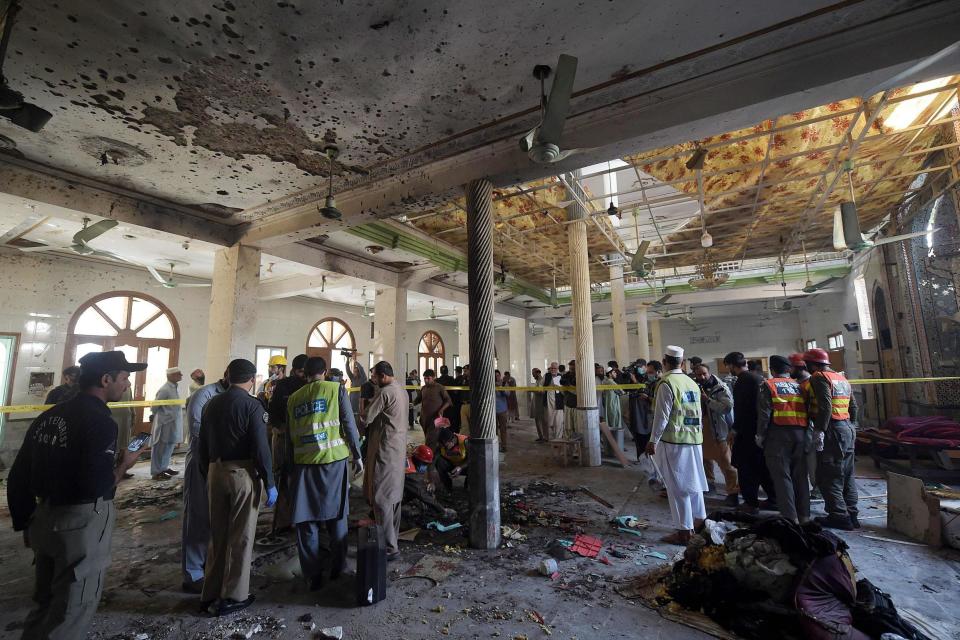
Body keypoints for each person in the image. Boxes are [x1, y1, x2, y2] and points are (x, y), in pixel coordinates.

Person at [7, 351, 145, 639]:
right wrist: (124, 464)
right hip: (79, 525)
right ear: (106, 379)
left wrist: (25, 522)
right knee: (71, 609)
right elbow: (96, 487)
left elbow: (18, 474)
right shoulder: (99, 421)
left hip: (43, 518)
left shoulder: (51, 416)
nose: (126, 384)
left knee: (44, 604)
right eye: (124, 378)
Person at [198, 358, 277, 616]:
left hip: (214, 471)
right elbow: (261, 447)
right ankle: (233, 595)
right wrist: (270, 482)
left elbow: (201, 443)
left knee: (218, 535)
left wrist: (205, 473)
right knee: (241, 535)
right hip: (241, 473)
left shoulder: (211, 403)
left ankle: (209, 592)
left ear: (227, 376)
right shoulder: (252, 406)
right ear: (252, 379)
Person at [286, 356, 363, 590]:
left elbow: (290, 437)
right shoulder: (335, 390)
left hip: (303, 464)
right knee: (337, 514)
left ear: (304, 374)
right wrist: (357, 454)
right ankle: (338, 567)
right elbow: (349, 423)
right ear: (325, 371)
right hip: (333, 461)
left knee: (306, 518)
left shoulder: (293, 399)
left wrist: (288, 467)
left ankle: (312, 574)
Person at [645, 346, 707, 545]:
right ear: (682, 361)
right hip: (694, 440)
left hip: (675, 443)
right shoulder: (691, 382)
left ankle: (684, 532)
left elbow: (661, 416)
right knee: (693, 484)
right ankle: (699, 522)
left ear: (664, 361)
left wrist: (652, 440)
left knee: (677, 487)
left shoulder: (667, 383)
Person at [181, 370, 229, 594]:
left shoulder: (236, 395)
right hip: (202, 460)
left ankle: (210, 566)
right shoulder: (204, 395)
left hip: (223, 463)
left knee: (217, 518)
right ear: (227, 375)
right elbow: (197, 431)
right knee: (197, 517)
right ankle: (193, 573)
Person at [804, 348, 860, 531]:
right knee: (848, 474)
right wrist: (852, 426)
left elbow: (825, 406)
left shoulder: (819, 377)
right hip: (846, 428)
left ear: (812, 364)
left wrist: (820, 429)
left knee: (830, 475)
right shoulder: (841, 378)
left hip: (833, 430)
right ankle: (852, 514)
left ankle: (839, 516)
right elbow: (854, 406)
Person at [363, 361, 408, 560]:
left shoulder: (385, 392)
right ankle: (393, 539)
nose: (373, 380)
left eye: (374, 377)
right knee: (394, 497)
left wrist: (360, 410)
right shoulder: (402, 390)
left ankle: (390, 548)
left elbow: (366, 418)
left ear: (382, 376)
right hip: (398, 449)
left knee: (381, 498)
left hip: (385, 449)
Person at [757, 355, 810, 524]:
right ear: (788, 369)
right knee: (800, 477)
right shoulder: (800, 386)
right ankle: (805, 516)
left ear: (772, 370)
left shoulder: (768, 385)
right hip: (801, 435)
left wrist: (760, 435)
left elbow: (765, 414)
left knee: (782, 477)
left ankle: (789, 518)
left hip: (778, 436)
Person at [724, 351, 776, 513]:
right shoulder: (758, 378)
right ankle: (774, 499)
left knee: (745, 468)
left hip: (747, 431)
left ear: (732, 365)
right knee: (762, 467)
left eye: (728, 367)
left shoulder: (743, 381)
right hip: (761, 431)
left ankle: (750, 503)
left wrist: (735, 429)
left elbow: (742, 409)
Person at [267, 354, 308, 534]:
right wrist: (280, 429)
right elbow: (273, 412)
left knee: (301, 478)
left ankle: (301, 517)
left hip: (303, 440)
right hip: (283, 437)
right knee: (282, 477)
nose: (303, 375)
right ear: (293, 370)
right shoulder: (283, 385)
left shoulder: (310, 385)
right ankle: (283, 521)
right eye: (301, 372)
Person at [693, 363, 739, 504]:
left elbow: (726, 408)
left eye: (704, 373)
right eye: (699, 374)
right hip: (702, 427)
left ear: (709, 372)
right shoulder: (695, 386)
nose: (702, 377)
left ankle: (733, 492)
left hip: (719, 429)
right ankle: (709, 484)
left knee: (726, 462)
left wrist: (708, 401)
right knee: (704, 459)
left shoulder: (720, 387)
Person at [790, 352, 819, 498]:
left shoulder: (810, 383)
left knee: (812, 459)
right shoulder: (798, 383)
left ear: (799, 367)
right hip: (802, 427)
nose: (789, 371)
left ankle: (818, 489)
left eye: (791, 368)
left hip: (811, 426)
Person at [403, 445, 456, 519]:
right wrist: (442, 510)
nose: (425, 467)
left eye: (427, 464)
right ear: (417, 459)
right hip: (389, 498)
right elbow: (422, 494)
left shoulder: (409, 460)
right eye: (424, 464)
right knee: (417, 505)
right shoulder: (410, 473)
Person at [150, 367, 184, 480]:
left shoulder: (174, 387)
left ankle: (163, 468)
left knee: (169, 446)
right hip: (164, 423)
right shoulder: (165, 389)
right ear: (171, 376)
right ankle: (156, 472)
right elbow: (154, 406)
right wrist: (158, 417)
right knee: (160, 446)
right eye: (179, 374)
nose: (181, 375)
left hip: (172, 423)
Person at [415, 369, 451, 448]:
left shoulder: (439, 387)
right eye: (424, 378)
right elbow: (418, 399)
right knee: (430, 439)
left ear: (433, 378)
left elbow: (448, 401)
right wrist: (411, 404)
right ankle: (435, 455)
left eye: (428, 378)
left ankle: (430, 458)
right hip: (424, 419)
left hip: (435, 419)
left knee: (430, 441)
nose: (426, 380)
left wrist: (441, 409)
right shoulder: (423, 388)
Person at [111, 385, 136, 480]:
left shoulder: (128, 386)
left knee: (124, 446)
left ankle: (121, 470)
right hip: (114, 418)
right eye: (124, 377)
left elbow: (131, 401)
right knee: (113, 446)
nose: (127, 381)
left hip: (126, 418)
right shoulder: (110, 386)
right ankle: (111, 471)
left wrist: (134, 414)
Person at [435, 427, 468, 492]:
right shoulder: (441, 444)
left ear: (452, 441)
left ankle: (468, 486)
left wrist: (460, 467)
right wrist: (430, 479)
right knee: (439, 461)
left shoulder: (465, 441)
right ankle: (447, 487)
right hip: (451, 465)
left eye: (445, 446)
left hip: (465, 467)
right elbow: (433, 459)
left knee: (476, 465)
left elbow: (473, 458)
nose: (443, 447)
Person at [541, 362, 564, 440]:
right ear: (550, 369)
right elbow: (541, 386)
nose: (553, 370)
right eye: (552, 368)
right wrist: (543, 390)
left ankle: (558, 439)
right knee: (549, 421)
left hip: (558, 402)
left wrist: (560, 387)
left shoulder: (560, 376)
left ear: (557, 369)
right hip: (548, 401)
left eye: (555, 368)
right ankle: (549, 438)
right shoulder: (546, 376)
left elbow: (563, 390)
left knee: (559, 422)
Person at [346, 356, 368, 426]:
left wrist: (355, 361)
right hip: (351, 400)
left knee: (358, 420)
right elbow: (347, 370)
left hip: (359, 402)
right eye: (354, 371)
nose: (354, 373)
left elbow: (361, 369)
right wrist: (347, 360)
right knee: (352, 418)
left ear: (359, 372)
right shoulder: (353, 378)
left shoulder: (363, 378)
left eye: (356, 371)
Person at [560, 360, 577, 437]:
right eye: (570, 369)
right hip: (568, 404)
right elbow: (562, 383)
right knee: (568, 426)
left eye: (573, 369)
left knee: (577, 427)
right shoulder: (566, 375)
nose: (571, 371)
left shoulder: (580, 376)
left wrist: (569, 387)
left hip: (578, 406)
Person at [530, 367, 547, 442]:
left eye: (533, 374)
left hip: (540, 404)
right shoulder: (537, 381)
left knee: (542, 421)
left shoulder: (542, 381)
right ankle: (540, 436)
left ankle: (544, 437)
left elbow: (542, 392)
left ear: (538, 373)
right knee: (537, 420)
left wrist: (534, 391)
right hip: (536, 403)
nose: (533, 376)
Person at [495, 370, 510, 452]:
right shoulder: (490, 383)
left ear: (500, 376)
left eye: (498, 375)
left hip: (502, 410)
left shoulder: (504, 383)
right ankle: (495, 445)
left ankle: (504, 445)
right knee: (494, 430)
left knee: (503, 429)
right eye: (495, 376)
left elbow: (508, 394)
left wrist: (501, 389)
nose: (497, 377)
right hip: (493, 411)